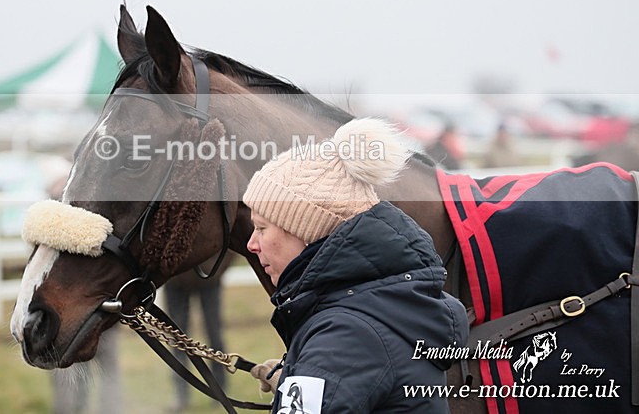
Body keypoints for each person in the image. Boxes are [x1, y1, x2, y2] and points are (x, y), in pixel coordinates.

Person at [243, 118, 469, 413]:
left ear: (306, 231)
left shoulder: (345, 338)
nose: (251, 244)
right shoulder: (373, 311)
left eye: (261, 227)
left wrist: (313, 378)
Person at [45, 174, 123, 414]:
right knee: (77, 370)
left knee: (98, 366)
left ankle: (104, 409)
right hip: (81, 311)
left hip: (92, 310)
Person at [163, 258, 231, 412]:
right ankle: (181, 395)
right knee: (177, 340)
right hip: (175, 281)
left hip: (209, 280)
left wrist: (217, 270)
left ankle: (220, 392)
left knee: (215, 336)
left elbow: (231, 244)